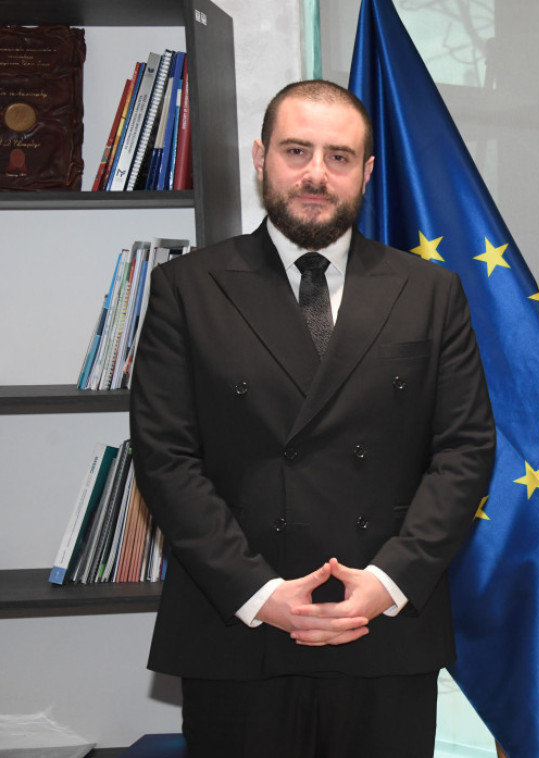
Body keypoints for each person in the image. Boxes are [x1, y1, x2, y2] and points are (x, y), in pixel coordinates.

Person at [129, 80, 495, 758]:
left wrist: (387, 582)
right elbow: (164, 457)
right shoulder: (187, 287)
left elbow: (465, 451)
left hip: (382, 625)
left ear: (368, 171)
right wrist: (257, 592)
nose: (316, 174)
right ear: (260, 157)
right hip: (238, 626)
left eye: (339, 156)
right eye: (296, 151)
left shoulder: (430, 291)